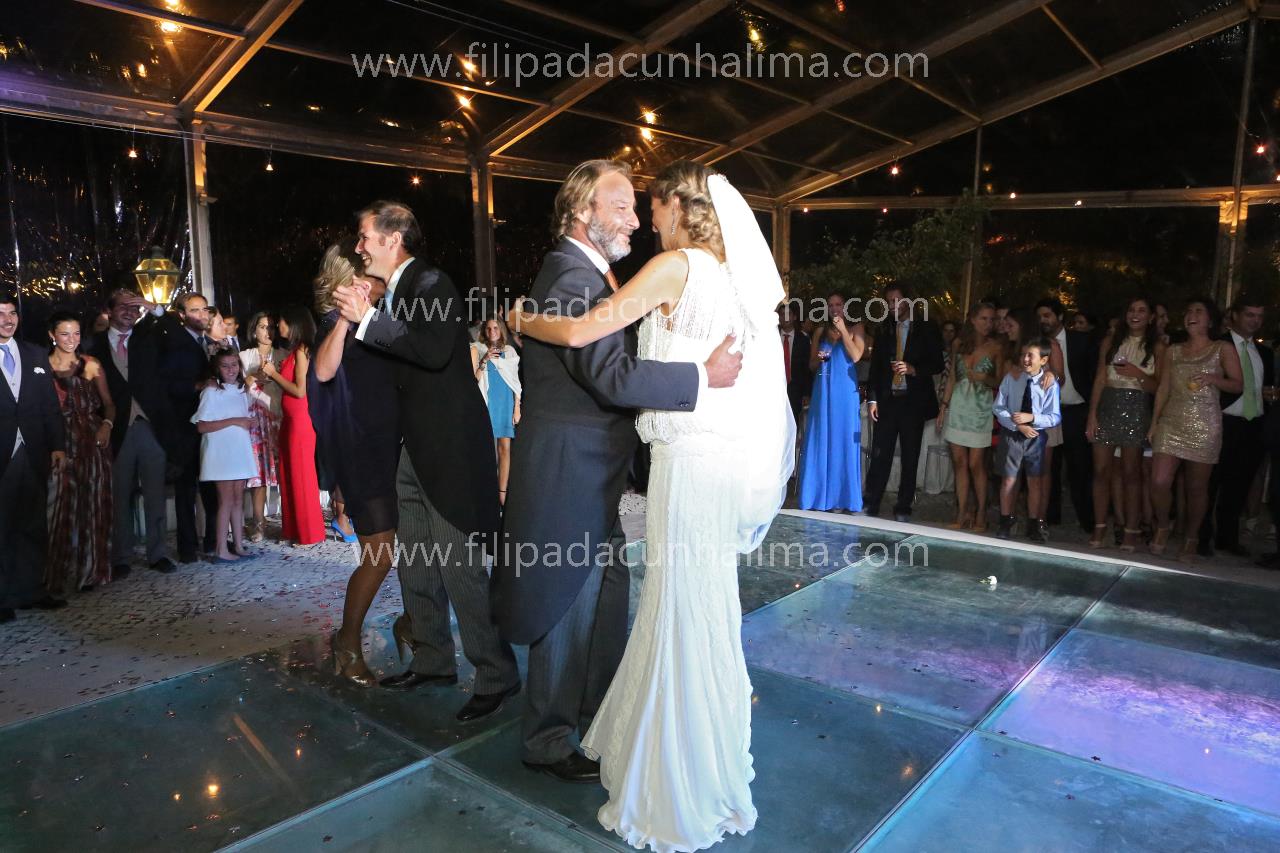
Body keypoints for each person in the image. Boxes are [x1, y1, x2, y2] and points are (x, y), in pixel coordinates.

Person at [508, 160, 786, 852]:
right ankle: (684, 752)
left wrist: (523, 318)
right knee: (677, 607)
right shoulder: (723, 278)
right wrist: (702, 375)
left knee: (666, 608)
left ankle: (663, 763)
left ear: (676, 208)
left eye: (647, 205)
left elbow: (585, 339)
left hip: (680, 471)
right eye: (625, 206)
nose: (640, 217)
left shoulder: (669, 269)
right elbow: (618, 369)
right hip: (677, 466)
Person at [332, 200, 520, 721]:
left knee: (461, 568)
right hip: (410, 451)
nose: (358, 246)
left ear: (393, 238)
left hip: (449, 451)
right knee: (416, 562)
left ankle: (497, 674)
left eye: (365, 236)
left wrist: (367, 319)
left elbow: (433, 352)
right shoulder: (394, 293)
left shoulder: (432, 284)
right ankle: (434, 660)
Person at [310, 240, 401, 686]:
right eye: (369, 271)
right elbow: (323, 374)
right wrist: (347, 319)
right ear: (349, 282)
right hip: (362, 453)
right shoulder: (334, 323)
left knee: (411, 546)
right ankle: (347, 641)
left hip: (393, 447)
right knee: (379, 553)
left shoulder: (381, 318)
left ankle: (412, 623)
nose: (381, 276)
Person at [1149, 297, 1243, 560]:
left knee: (1196, 488)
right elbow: (1163, 388)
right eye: (1189, 311)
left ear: (1210, 320)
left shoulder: (1222, 348)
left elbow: (1238, 384)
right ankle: (1163, 525)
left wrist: (1214, 378)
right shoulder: (1173, 351)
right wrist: (1154, 422)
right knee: (1159, 481)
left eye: (1199, 311)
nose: (1192, 315)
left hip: (1205, 423)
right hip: (1171, 420)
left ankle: (1191, 538)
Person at [91, 290, 174, 575]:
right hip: (117, 428)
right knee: (119, 495)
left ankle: (158, 553)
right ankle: (121, 557)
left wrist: (153, 307)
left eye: (133, 308)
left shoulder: (147, 338)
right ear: (109, 311)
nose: (129, 312)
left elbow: (175, 336)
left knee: (155, 494)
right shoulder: (95, 345)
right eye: (122, 307)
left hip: (150, 425)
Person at [0, 295, 66, 622]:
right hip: (3, 453)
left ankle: (31, 590)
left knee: (33, 523)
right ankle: (3, 597)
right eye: (0, 314)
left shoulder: (35, 354)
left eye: (12, 313)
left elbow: (49, 406)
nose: (7, 320)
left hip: (34, 450)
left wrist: (57, 445)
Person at [45, 312, 115, 595]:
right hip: (58, 442)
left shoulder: (90, 364)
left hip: (92, 440)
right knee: (56, 510)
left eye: (75, 333)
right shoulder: (41, 367)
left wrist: (107, 425)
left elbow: (109, 404)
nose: (71, 339)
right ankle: (53, 577)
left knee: (94, 507)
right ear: (52, 335)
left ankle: (91, 573)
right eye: (64, 333)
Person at [1085, 297, 1162, 551]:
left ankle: (1131, 531)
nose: (1135, 314)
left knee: (1132, 473)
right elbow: (1100, 378)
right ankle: (1099, 527)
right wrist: (1092, 414)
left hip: (1137, 407)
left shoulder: (1157, 346)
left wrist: (1137, 374)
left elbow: (1160, 387)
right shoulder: (1110, 341)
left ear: (1151, 317)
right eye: (1131, 310)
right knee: (1101, 471)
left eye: (1142, 310)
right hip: (1108, 404)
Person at [864, 284, 945, 521]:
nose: (893, 306)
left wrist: (913, 369)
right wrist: (872, 398)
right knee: (880, 454)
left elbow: (938, 363)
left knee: (910, 455)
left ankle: (903, 506)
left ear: (909, 301)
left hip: (913, 402)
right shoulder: (884, 329)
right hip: (888, 401)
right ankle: (871, 502)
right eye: (889, 302)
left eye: (897, 300)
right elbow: (876, 368)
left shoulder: (926, 327)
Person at [1200, 294, 1272, 557]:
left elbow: (1264, 386)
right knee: (1211, 482)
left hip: (1253, 423)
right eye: (1250, 315)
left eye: (1259, 316)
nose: (1255, 321)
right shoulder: (1219, 345)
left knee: (1240, 484)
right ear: (1236, 316)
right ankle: (1201, 537)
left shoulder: (1263, 352)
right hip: (1223, 420)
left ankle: (1227, 538)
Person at [155, 292, 219, 562]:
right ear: (181, 315)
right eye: (195, 310)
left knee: (211, 487)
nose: (202, 315)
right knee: (186, 490)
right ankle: (188, 547)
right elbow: (165, 384)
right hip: (184, 427)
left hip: (208, 425)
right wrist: (197, 385)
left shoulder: (206, 343)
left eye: (205, 309)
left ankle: (213, 541)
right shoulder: (175, 342)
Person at [262, 306, 325, 546]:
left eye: (281, 322)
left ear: (293, 323)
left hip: (300, 420)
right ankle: (292, 529)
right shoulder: (294, 351)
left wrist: (274, 374)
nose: (278, 326)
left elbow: (300, 391)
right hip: (290, 419)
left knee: (302, 475)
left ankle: (309, 533)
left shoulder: (301, 351)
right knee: (288, 474)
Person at [797, 292, 865, 512]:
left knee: (843, 438)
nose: (834, 308)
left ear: (845, 307)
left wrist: (843, 332)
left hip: (845, 391)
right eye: (830, 305)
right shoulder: (820, 331)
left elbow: (856, 356)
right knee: (821, 437)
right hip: (823, 388)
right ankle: (818, 497)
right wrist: (824, 352)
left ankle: (844, 499)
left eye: (838, 304)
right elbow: (812, 365)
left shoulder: (856, 328)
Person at [939, 302, 1001, 531]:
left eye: (991, 319)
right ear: (972, 319)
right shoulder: (958, 344)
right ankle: (962, 512)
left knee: (977, 464)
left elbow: (1000, 381)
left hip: (981, 408)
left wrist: (985, 378)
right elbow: (952, 378)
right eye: (984, 318)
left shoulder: (996, 347)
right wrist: (943, 406)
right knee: (959, 462)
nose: (988, 323)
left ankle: (981, 513)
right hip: (958, 406)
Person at [1037, 298, 1098, 532]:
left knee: (1079, 466)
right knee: (1048, 466)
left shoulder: (1081, 340)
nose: (1043, 320)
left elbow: (1093, 374)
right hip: (1049, 411)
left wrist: (1093, 410)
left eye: (1047, 315)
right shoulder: (1038, 343)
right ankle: (1050, 517)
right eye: (1040, 316)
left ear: (1060, 316)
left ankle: (1087, 520)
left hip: (1075, 409)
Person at [994, 338, 1061, 541]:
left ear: (1043, 360)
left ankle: (1034, 524)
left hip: (1035, 436)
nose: (1025, 359)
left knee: (1035, 481)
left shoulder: (1049, 384)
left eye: (1030, 355)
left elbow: (1054, 416)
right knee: (1009, 479)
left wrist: (1032, 418)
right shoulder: (1012, 378)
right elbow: (998, 407)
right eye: (1023, 355)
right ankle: (1005, 520)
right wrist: (1017, 425)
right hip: (1012, 433)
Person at [193, 349, 257, 561]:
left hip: (238, 449)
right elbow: (202, 426)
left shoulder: (241, 390)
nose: (231, 370)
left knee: (238, 499)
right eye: (225, 366)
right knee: (226, 500)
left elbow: (243, 416)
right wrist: (235, 421)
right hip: (220, 452)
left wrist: (248, 422)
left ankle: (238, 545)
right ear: (217, 369)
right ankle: (221, 548)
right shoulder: (211, 391)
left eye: (234, 365)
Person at [238, 312, 283, 541]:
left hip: (279, 416)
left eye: (271, 326)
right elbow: (239, 389)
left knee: (284, 470)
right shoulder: (244, 356)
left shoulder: (284, 355)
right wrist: (254, 376)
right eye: (263, 327)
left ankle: (292, 520)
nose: (268, 331)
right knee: (259, 473)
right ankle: (258, 522)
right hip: (255, 418)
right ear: (254, 330)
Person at [471, 317, 521, 504]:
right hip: (488, 403)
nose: (492, 332)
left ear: (501, 330)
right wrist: (485, 359)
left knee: (505, 449)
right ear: (484, 331)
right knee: (487, 450)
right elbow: (474, 380)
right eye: (489, 328)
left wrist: (517, 407)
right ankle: (488, 491)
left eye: (496, 328)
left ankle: (502, 493)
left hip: (506, 403)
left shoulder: (509, 352)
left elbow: (516, 383)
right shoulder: (478, 349)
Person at [779, 302, 812, 428]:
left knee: (793, 424)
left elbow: (807, 368)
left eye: (788, 314)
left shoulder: (803, 339)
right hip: (776, 387)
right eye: (782, 314)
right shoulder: (772, 338)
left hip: (795, 389)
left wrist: (806, 393)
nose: (785, 317)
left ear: (794, 317)